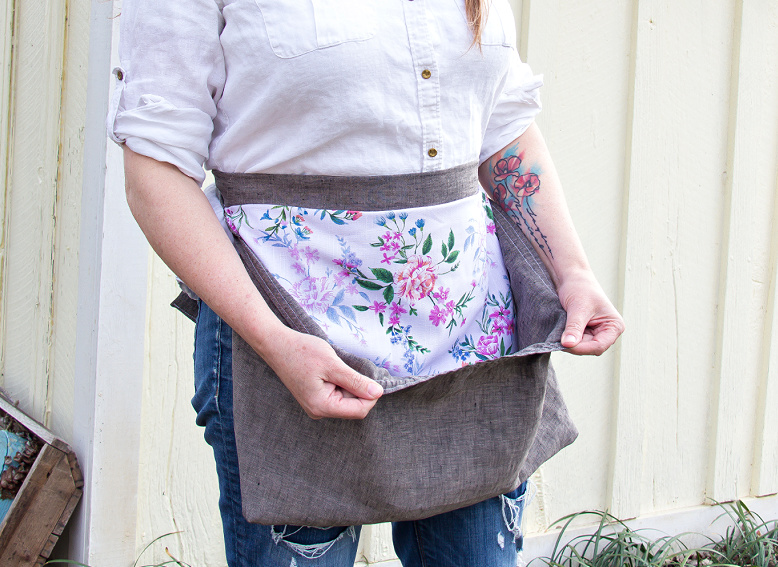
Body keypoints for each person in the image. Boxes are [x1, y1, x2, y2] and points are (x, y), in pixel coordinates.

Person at [108, 0, 625, 565]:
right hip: (292, 346)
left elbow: (502, 127)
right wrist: (276, 342)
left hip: (470, 352)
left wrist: (571, 272)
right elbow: (156, 169)